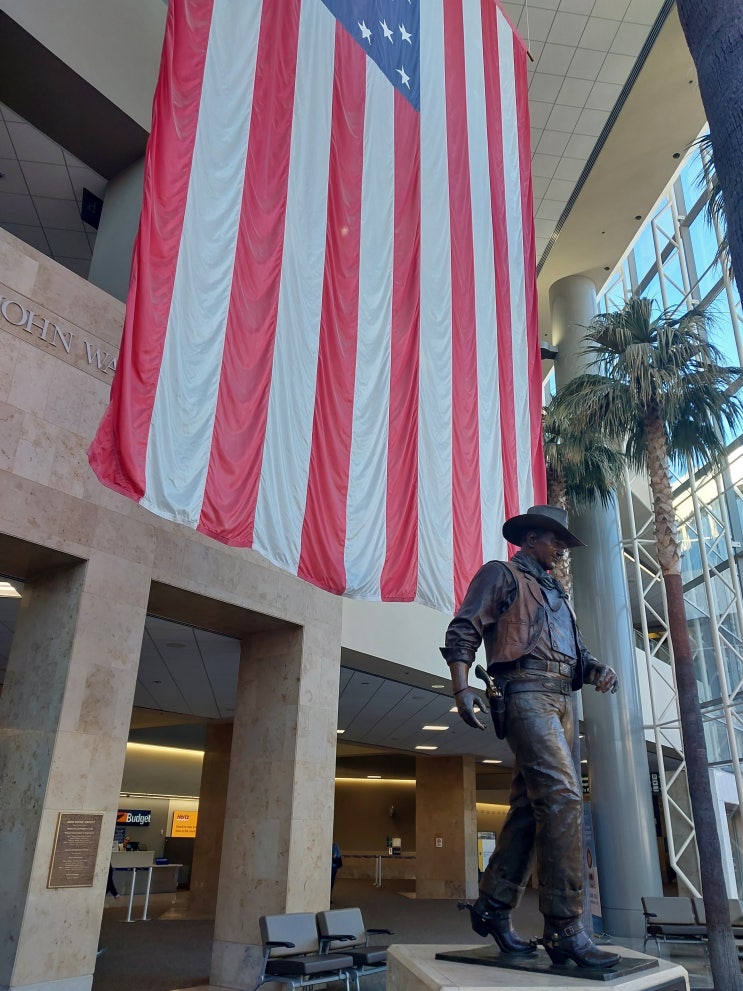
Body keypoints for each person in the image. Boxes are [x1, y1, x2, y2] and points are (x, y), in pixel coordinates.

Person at [440, 505, 620, 969]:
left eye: (563, 543)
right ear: (531, 539)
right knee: (563, 796)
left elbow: (577, 655)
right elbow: (465, 628)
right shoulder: (501, 575)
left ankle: (492, 906)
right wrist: (461, 686)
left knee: (528, 808)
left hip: (562, 701)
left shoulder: (557, 592)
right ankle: (564, 927)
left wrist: (596, 668)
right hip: (524, 693)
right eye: (555, 540)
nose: (561, 549)